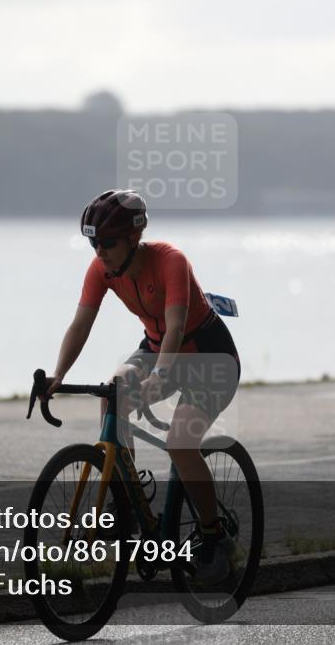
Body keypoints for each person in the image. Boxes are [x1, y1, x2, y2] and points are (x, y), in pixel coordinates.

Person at [42, 189, 241, 585]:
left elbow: (177, 327)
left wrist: (162, 375)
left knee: (181, 443)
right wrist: (57, 376)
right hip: (155, 348)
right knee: (114, 391)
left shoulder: (171, 261)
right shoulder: (102, 269)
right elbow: (80, 324)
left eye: (108, 242)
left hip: (207, 357)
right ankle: (129, 504)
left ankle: (214, 536)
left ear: (133, 239)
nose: (99, 250)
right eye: (94, 242)